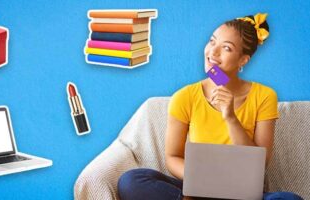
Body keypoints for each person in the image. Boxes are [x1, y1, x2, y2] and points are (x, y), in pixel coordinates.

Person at [117, 13, 303, 200]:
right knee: (131, 181)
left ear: (243, 60)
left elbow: (259, 164)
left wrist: (230, 117)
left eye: (226, 48)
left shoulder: (264, 96)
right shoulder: (185, 97)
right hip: (198, 188)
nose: (213, 52)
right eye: (212, 41)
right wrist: (204, 180)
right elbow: (172, 157)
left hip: (243, 193)